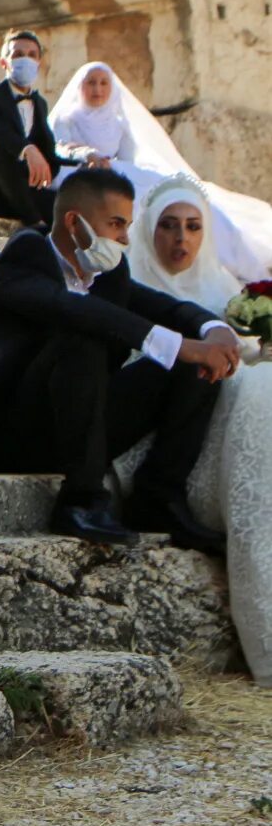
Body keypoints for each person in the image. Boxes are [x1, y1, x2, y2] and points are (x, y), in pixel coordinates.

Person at [0, 167, 239, 549]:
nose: (125, 238)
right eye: (115, 224)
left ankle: (157, 497)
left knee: (194, 362)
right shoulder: (26, 254)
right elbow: (70, 309)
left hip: (76, 426)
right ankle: (81, 500)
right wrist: (176, 344)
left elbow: (164, 307)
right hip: (3, 434)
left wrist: (213, 330)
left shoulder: (107, 271)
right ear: (75, 222)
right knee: (84, 335)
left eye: (127, 225)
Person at [127, 175, 272, 682]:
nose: (181, 240)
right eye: (168, 226)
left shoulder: (222, 290)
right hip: (160, 420)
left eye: (192, 227)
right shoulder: (128, 278)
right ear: (149, 230)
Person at [50, 59, 272, 283]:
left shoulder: (118, 122)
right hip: (82, 176)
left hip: (118, 172)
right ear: (80, 87)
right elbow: (59, 147)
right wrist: (87, 155)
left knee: (175, 194)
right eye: (91, 83)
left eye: (103, 83)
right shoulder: (66, 118)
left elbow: (128, 156)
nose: (97, 89)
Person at [0, 30, 67, 228]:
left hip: (18, 191)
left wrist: (83, 163)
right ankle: (35, 224)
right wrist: (26, 149)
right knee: (3, 149)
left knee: (69, 203)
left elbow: (48, 155)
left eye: (31, 55)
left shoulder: (40, 104)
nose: (25, 59)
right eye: (18, 54)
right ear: (4, 62)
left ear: (39, 62)